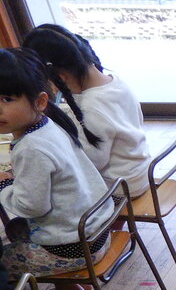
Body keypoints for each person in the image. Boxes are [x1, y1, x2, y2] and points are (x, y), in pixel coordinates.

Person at [0, 48, 114, 290]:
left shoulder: (31, 147)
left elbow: (31, 208)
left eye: (6, 98)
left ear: (39, 101)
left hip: (71, 249)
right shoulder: (49, 124)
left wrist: (4, 186)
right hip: (94, 234)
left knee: (3, 265)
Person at [23, 23, 150, 196]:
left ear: (61, 77)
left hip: (119, 186)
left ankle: (106, 222)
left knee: (46, 191)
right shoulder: (114, 83)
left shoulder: (92, 107)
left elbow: (92, 163)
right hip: (137, 171)